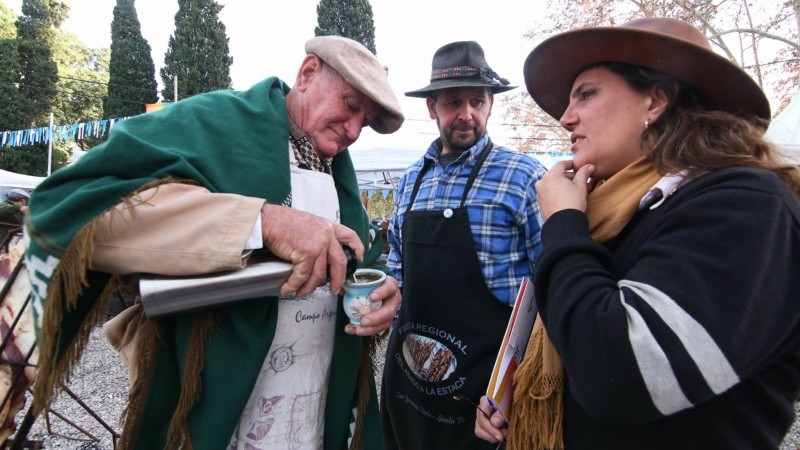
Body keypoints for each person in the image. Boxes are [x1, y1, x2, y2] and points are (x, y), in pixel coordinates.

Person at [24, 35, 405, 450]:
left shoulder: (342, 179)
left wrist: (378, 289)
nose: (353, 130)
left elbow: (357, 258)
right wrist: (264, 222)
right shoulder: (212, 122)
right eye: (350, 106)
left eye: (363, 123)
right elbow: (77, 206)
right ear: (308, 73)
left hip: (310, 409)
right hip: (212, 408)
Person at [474, 17, 800, 450]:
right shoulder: (618, 212)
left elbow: (619, 376)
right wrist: (520, 394)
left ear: (656, 101)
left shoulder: (747, 204)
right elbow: (578, 338)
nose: (566, 119)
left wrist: (564, 225)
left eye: (587, 94)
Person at [380, 40, 548, 449]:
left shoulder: (525, 178)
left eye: (478, 100)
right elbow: (399, 270)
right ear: (432, 107)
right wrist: (384, 294)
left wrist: (513, 389)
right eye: (454, 102)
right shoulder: (409, 182)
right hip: (412, 385)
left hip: (487, 397)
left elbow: (552, 290)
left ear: (490, 104)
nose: (467, 114)